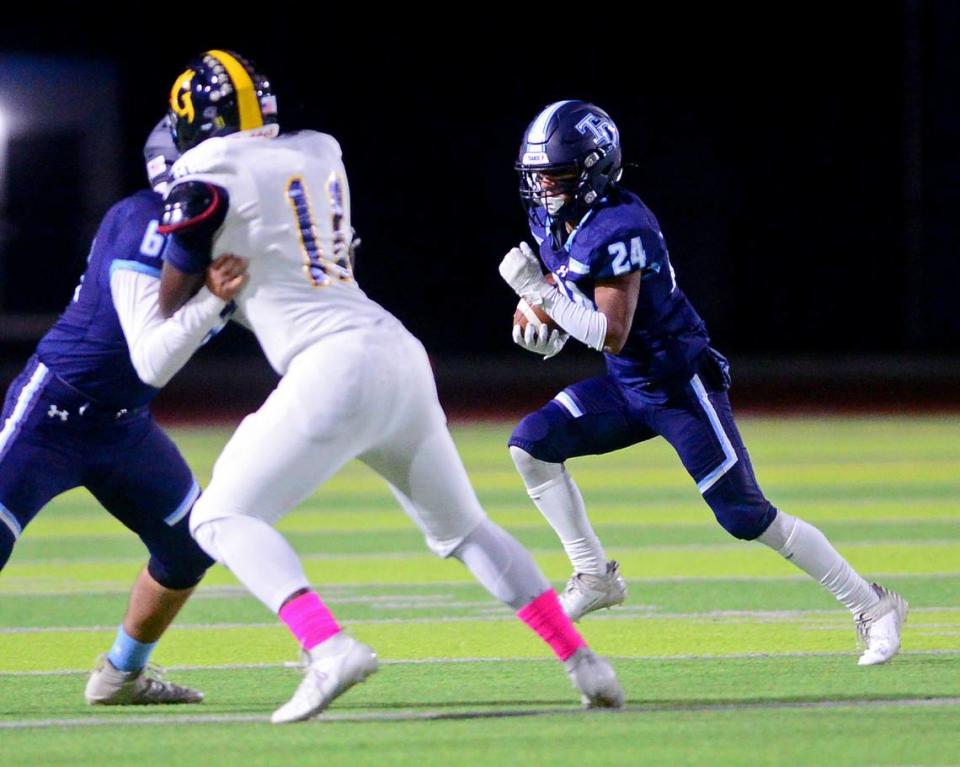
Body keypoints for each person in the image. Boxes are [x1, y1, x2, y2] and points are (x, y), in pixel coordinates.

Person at [156, 50, 623, 724]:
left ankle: (327, 645)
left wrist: (204, 277)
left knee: (218, 516)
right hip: (396, 353)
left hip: (330, 365)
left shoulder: (208, 173)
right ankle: (585, 662)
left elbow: (171, 296)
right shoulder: (320, 151)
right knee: (466, 529)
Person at [498, 99, 907, 665]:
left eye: (558, 175)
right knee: (531, 445)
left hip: (677, 385)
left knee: (745, 516)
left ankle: (873, 605)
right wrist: (547, 320)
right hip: (627, 383)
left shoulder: (621, 226)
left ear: (593, 171)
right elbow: (578, 301)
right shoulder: (557, 217)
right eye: (538, 175)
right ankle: (594, 574)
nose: (543, 187)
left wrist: (539, 295)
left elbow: (611, 330)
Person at [0, 118, 247, 705]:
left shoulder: (229, 237)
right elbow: (149, 349)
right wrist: (216, 297)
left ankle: (120, 675)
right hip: (52, 412)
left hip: (122, 425)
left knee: (188, 548)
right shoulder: (143, 218)